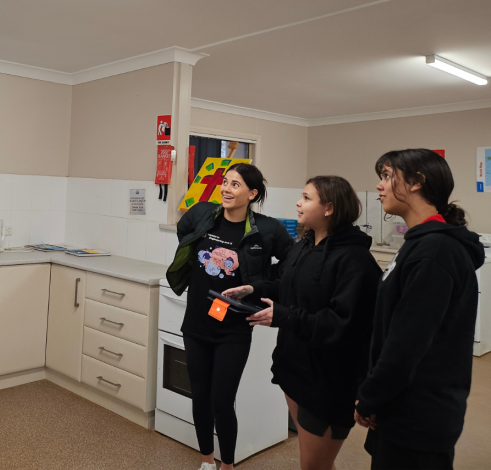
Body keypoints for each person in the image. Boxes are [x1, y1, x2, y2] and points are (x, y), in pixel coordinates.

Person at [223, 176, 382, 470]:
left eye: (307, 198)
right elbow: (284, 282)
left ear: (329, 208)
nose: (298, 203)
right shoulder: (304, 245)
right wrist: (254, 289)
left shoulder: (355, 261)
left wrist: (283, 316)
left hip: (328, 381)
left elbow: (342, 324)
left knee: (313, 466)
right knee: (316, 463)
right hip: (294, 370)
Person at [354, 149, 485, 470]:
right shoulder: (419, 243)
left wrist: (370, 396)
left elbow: (406, 343)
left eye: (387, 176)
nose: (380, 185)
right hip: (399, 405)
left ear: (416, 182)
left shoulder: (435, 250)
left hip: (420, 413)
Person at [166, 163, 293, 470]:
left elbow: (292, 262)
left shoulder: (267, 228)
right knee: (201, 396)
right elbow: (184, 233)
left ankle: (228, 465)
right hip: (197, 321)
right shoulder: (202, 215)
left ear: (251, 194)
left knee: (222, 401)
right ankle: (207, 461)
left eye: (235, 185)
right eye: (225, 182)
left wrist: (258, 285)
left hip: (233, 327)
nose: (226, 188)